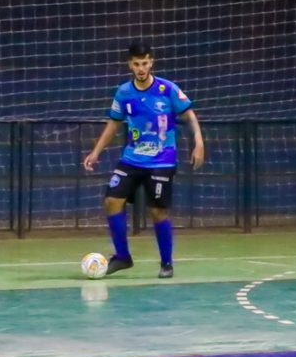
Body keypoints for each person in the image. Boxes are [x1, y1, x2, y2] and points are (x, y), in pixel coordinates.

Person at [83, 42, 205, 278]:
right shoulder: (124, 92)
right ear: (130, 64)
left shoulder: (167, 89)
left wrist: (198, 142)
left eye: (145, 63)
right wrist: (96, 151)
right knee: (111, 200)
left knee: (158, 212)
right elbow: (114, 122)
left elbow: (189, 115)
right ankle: (122, 257)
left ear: (151, 63)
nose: (141, 68)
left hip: (162, 161)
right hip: (132, 158)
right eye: (136, 64)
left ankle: (166, 263)